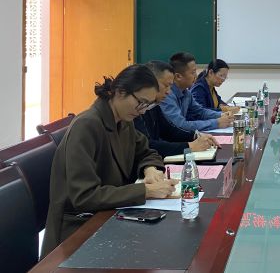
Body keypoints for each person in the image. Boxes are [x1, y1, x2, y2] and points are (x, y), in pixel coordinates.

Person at [42, 64, 178, 257]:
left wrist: (150, 169)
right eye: (141, 103)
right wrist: (146, 191)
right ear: (120, 92)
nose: (142, 111)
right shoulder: (87, 126)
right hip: (78, 229)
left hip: (109, 215)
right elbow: (85, 196)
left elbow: (147, 151)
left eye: (147, 105)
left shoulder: (123, 121)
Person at [134, 60, 221, 158]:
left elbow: (169, 131)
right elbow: (147, 145)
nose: (168, 91)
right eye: (166, 86)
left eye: (170, 86)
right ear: (150, 83)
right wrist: (189, 146)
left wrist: (195, 135)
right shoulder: (135, 111)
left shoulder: (154, 106)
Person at [160, 52, 234, 132]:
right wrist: (216, 123)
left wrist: (221, 114)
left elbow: (200, 112)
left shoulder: (186, 93)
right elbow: (180, 125)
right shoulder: (167, 95)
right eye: (193, 72)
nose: (196, 75)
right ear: (178, 76)